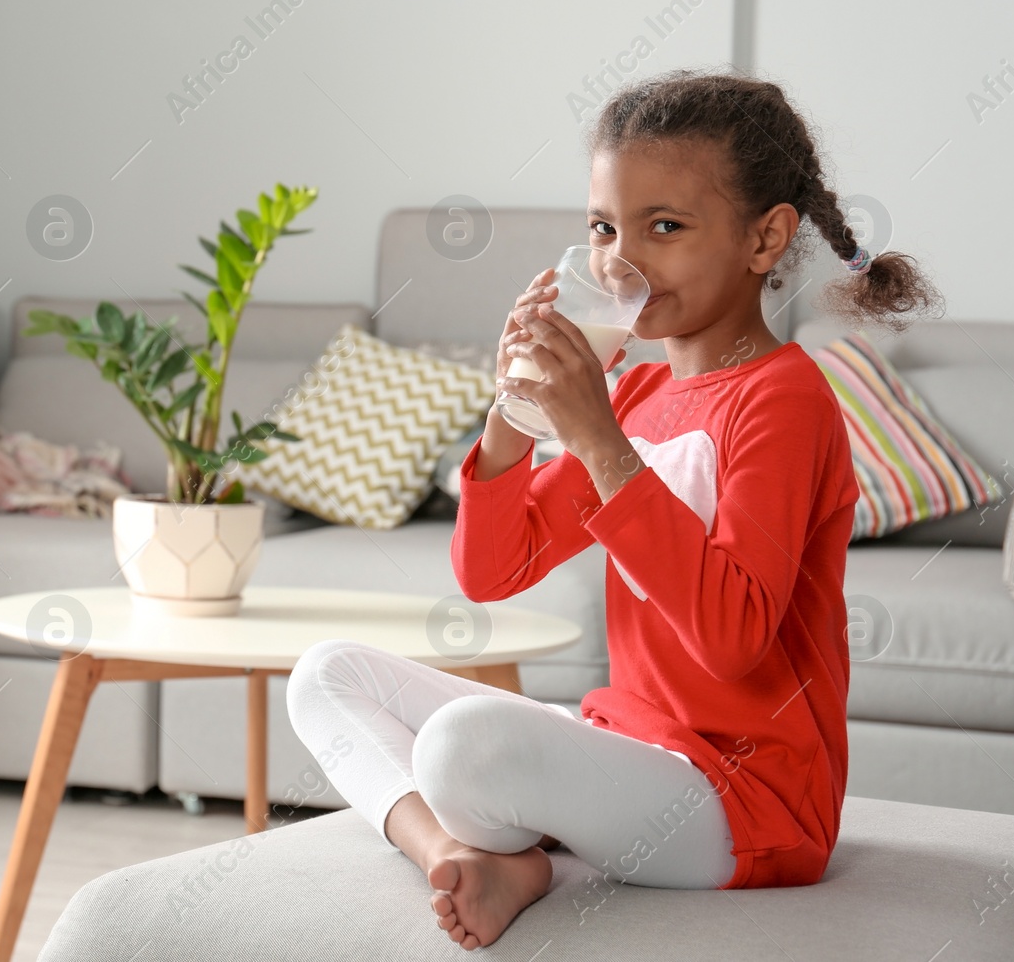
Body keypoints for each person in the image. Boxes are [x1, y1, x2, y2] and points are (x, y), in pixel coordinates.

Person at [285, 69, 943, 951]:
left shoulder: (783, 397)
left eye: (664, 227)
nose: (620, 262)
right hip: (630, 740)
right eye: (603, 228)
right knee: (325, 673)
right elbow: (490, 572)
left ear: (765, 237)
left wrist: (599, 443)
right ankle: (459, 851)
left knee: (464, 745)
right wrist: (514, 419)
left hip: (744, 796)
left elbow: (735, 634)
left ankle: (524, 846)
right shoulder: (632, 396)